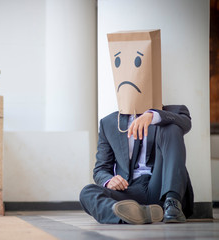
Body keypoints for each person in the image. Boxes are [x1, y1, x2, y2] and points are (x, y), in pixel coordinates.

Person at [79, 30, 194, 224]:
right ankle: (135, 214)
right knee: (87, 192)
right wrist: (109, 180)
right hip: (130, 190)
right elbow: (100, 169)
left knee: (171, 127)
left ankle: (172, 203)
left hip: (161, 184)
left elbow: (185, 123)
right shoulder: (109, 123)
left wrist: (153, 115)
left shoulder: (173, 112)